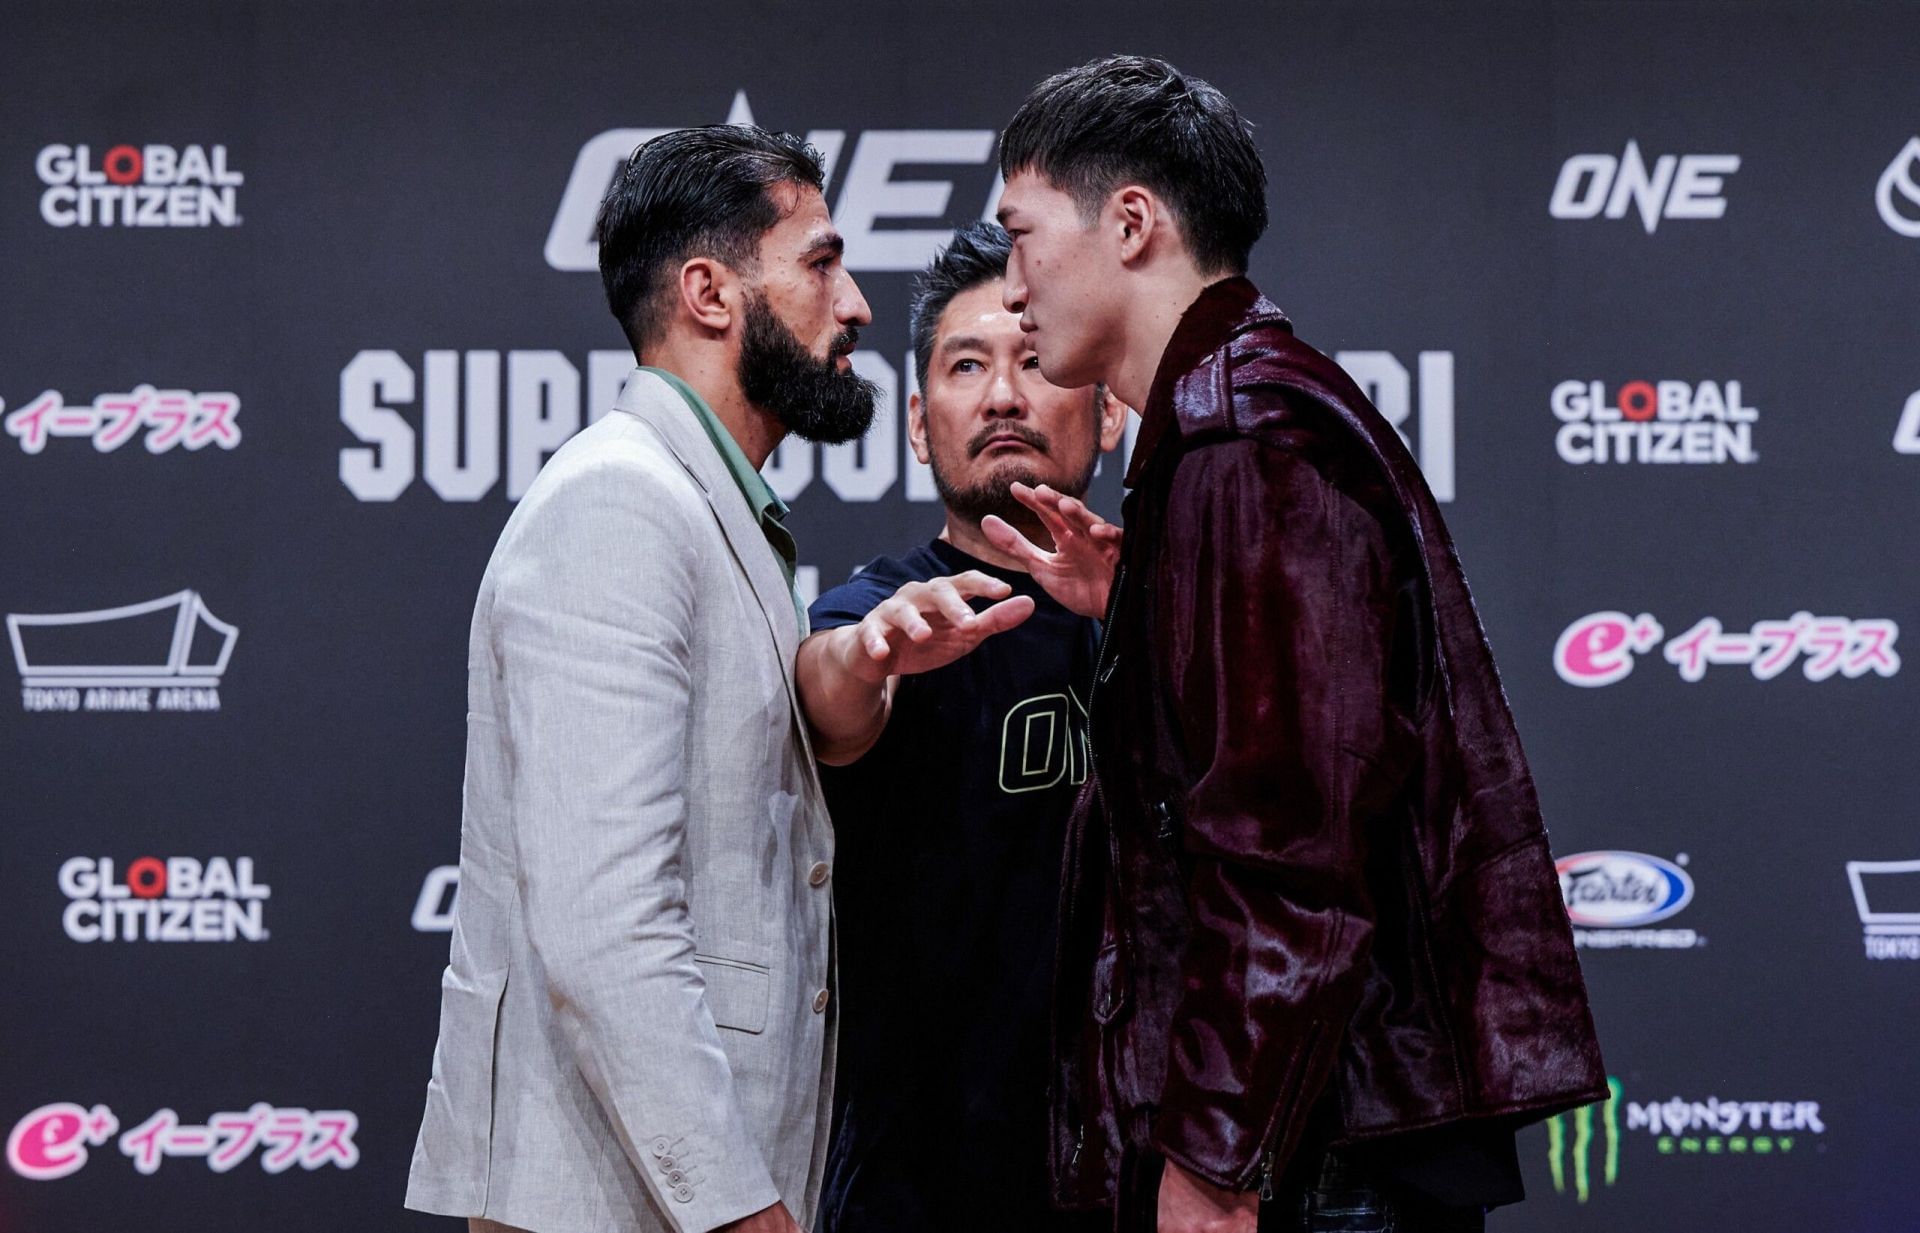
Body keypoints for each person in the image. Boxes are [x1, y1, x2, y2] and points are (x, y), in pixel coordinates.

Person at [984, 55, 1609, 1233]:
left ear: (1131, 224)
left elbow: (1289, 864)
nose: (1013, 288)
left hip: (1309, 1168)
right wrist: (1158, 604)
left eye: (1021, 235)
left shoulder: (1242, 442)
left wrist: (1216, 1164)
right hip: (1318, 1148)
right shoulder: (1237, 430)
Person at [406, 124, 883, 1233]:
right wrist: (735, 1205)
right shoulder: (621, 505)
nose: (855, 303)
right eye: (820, 262)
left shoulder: (704, 503)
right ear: (711, 293)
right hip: (614, 1200)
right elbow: (604, 918)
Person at [795, 222, 1125, 1233]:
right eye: (966, 364)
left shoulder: (1178, 612)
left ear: (1109, 410)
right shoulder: (878, 612)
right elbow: (828, 693)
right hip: (918, 1191)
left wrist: (1147, 617)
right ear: (915, 418)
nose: (1002, 396)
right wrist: (865, 657)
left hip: (1145, 1183)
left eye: (1034, 360)